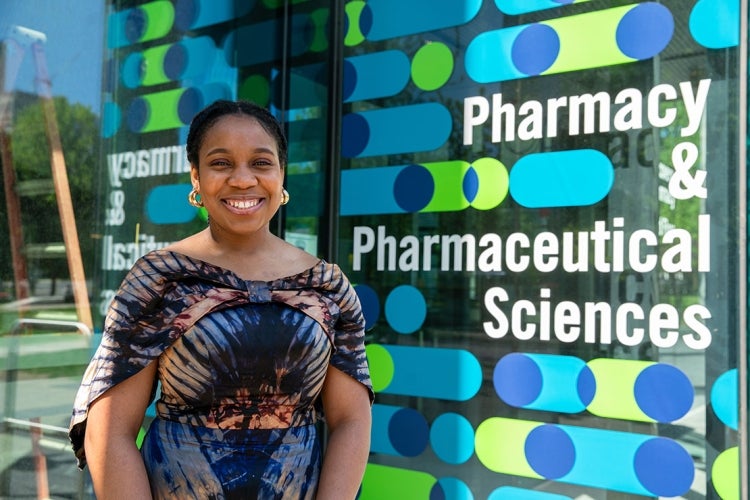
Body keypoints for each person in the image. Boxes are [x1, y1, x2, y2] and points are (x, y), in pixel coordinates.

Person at [69, 99, 374, 499]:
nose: (243, 179)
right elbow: (109, 432)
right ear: (196, 177)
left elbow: (352, 419)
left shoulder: (326, 287)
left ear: (282, 176)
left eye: (261, 163)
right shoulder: (160, 280)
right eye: (221, 163)